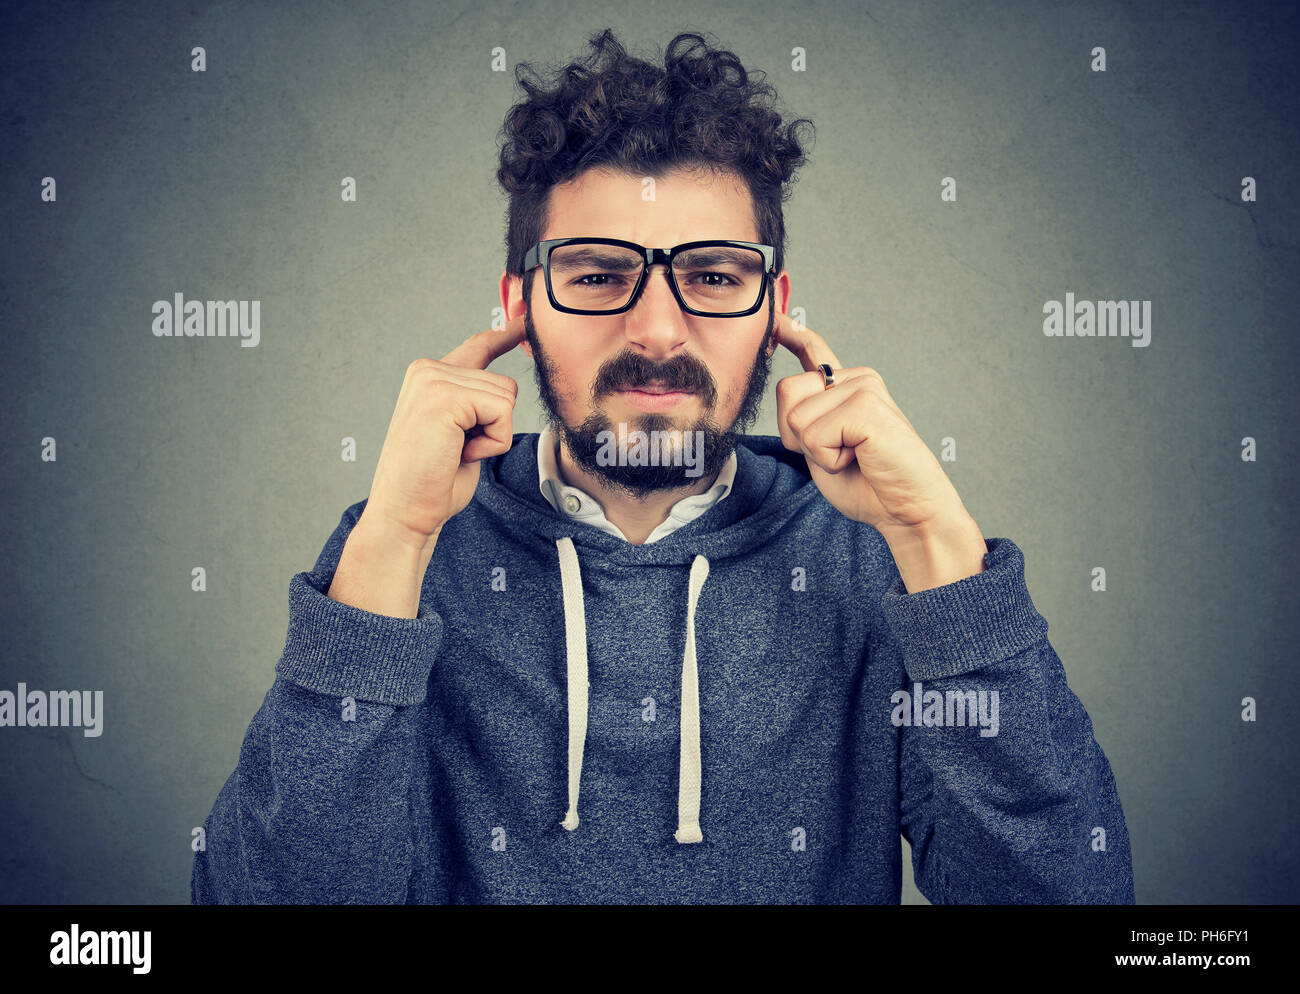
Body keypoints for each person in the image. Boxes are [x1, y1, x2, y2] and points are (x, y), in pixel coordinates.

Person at [192, 28, 1134, 904]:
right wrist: (388, 544)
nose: (654, 328)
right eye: (598, 274)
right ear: (521, 302)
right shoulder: (402, 553)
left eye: (714, 276)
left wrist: (936, 541)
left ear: (774, 306)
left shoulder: (874, 559)